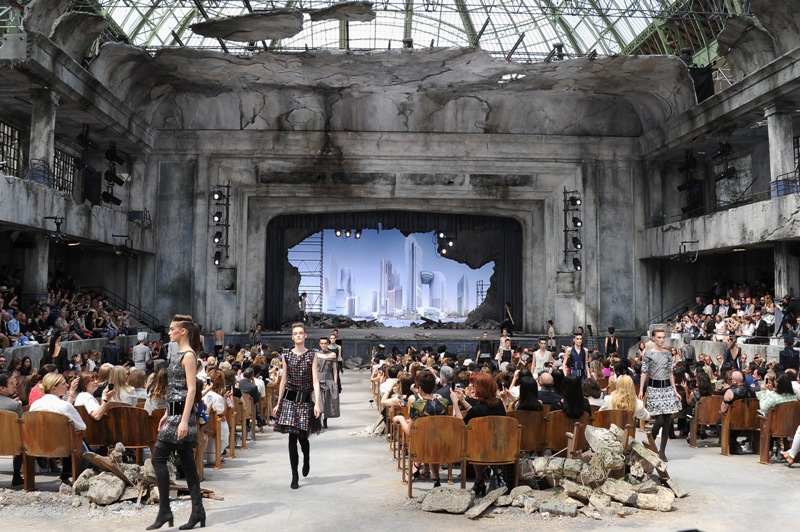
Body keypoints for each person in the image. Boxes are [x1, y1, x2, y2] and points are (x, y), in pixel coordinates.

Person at [148, 315, 205, 530]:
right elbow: (174, 389)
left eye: (172, 329)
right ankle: (197, 511)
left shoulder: (189, 355)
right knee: (188, 465)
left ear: (183, 331)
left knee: (158, 459)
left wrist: (183, 421)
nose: (169, 332)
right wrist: (166, 412)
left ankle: (165, 511)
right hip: (174, 414)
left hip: (181, 417)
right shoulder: (178, 354)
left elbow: (191, 390)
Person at [273, 322, 322, 490]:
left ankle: (306, 458)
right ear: (292, 337)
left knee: (303, 437)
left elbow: (315, 381)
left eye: (301, 333)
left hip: (305, 400)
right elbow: (283, 380)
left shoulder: (312, 355)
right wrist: (278, 402)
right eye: (296, 333)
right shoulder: (286, 355)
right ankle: (294, 475)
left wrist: (318, 403)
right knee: (291, 437)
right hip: (289, 400)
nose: (299, 335)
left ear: (305, 335)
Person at [453, 372, 505, 495]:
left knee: (472, 441)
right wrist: (463, 401)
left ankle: (479, 479)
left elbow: (462, 425)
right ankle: (480, 481)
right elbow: (479, 410)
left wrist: (456, 403)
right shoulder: (500, 404)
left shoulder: (477, 410)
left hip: (480, 450)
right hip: (500, 446)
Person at [29, 372, 86, 485]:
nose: (67, 385)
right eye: (64, 383)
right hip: (62, 446)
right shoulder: (65, 406)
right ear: (54, 388)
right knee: (76, 437)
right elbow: (82, 426)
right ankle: (67, 475)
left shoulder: (35, 405)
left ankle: (29, 483)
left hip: (37, 445)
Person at [638, 327, 680, 462]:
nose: (662, 340)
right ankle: (651, 441)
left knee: (667, 421)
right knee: (659, 420)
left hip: (667, 388)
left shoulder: (668, 354)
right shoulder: (648, 353)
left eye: (663, 337)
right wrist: (641, 390)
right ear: (653, 338)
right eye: (659, 337)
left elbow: (670, 372)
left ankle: (662, 452)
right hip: (654, 388)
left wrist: (675, 390)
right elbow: (644, 371)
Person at [719, 369, 756, 455]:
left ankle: (734, 446)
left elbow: (723, 410)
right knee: (737, 423)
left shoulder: (730, 392)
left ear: (735, 381)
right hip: (750, 420)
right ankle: (735, 445)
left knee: (719, 422)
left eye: (731, 379)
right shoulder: (752, 391)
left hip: (734, 421)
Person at [0, 370, 23, 485]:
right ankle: (16, 475)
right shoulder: (15, 405)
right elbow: (22, 428)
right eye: (10, 383)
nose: (14, 385)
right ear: (2, 388)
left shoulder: (13, 404)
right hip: (11, 445)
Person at [316, 336, 340, 429]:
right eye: (321, 343)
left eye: (325, 343)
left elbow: (335, 369)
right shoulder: (316, 354)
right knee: (319, 400)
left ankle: (325, 420)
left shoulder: (332, 355)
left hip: (329, 379)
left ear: (328, 344)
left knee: (328, 400)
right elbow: (314, 369)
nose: (323, 345)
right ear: (319, 344)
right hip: (318, 379)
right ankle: (319, 420)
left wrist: (335, 382)